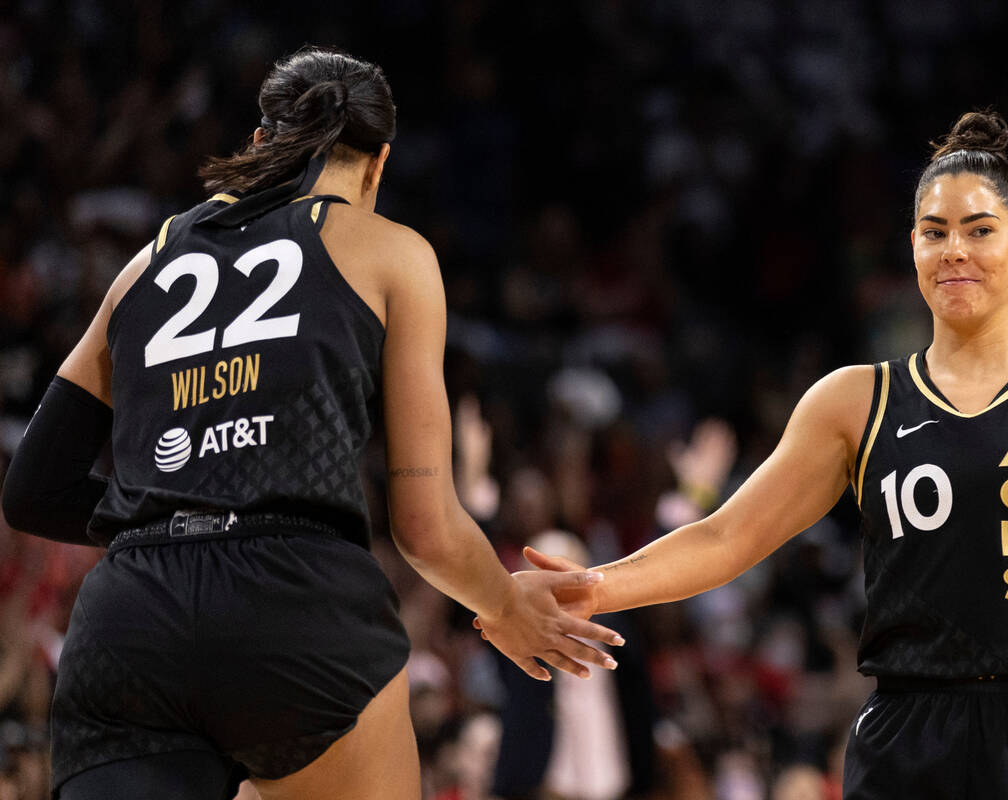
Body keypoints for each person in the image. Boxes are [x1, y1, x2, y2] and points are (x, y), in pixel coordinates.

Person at [501, 110, 1008, 799]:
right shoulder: (854, 401)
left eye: (980, 230)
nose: (955, 250)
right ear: (912, 247)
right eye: (934, 231)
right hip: (910, 730)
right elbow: (726, 537)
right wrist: (588, 587)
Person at [0, 46, 621, 800]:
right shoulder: (394, 253)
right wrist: (504, 602)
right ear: (377, 165)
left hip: (133, 616)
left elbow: (31, 490)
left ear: (261, 142)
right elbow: (423, 527)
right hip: (299, 603)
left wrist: (167, 521)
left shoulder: (146, 263)